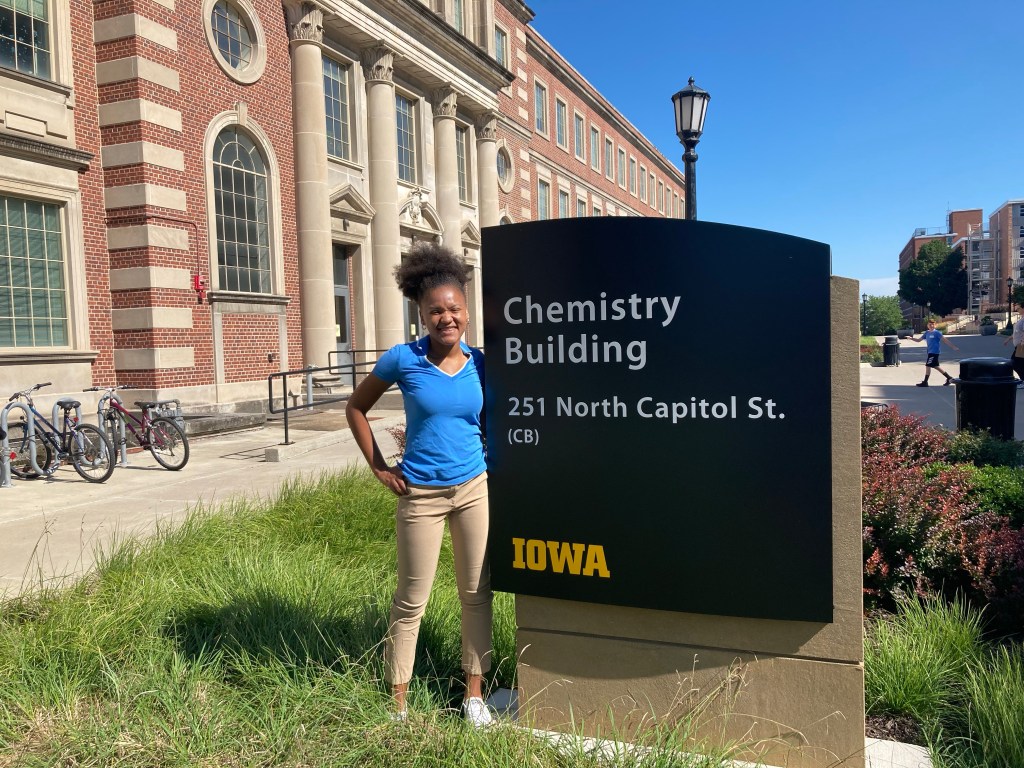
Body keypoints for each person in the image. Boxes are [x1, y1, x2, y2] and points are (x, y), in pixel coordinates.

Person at [345, 242, 493, 727]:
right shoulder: (402, 359)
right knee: (411, 601)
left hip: (473, 489)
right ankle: (398, 705)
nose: (447, 318)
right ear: (422, 313)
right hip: (420, 495)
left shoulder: (481, 363)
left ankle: (474, 697)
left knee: (477, 594)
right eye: (436, 311)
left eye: (455, 308)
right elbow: (356, 407)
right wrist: (380, 467)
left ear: (466, 310)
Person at [912, 319, 960, 386]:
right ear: (927, 325)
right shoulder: (927, 333)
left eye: (933, 324)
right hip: (930, 352)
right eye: (930, 324)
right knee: (935, 366)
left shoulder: (937, 333)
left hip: (934, 352)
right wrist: (911, 338)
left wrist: (953, 347)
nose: (931, 326)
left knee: (928, 365)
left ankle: (925, 382)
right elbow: (918, 340)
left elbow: (945, 340)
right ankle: (949, 378)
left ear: (935, 325)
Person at [1002, 314, 1024, 389]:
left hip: (1021, 346)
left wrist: (1022, 342)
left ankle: (1023, 380)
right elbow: (1016, 332)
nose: (1018, 310)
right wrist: (1008, 339)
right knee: (1018, 363)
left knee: (1015, 363)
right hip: (1019, 346)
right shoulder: (1021, 319)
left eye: (1019, 308)